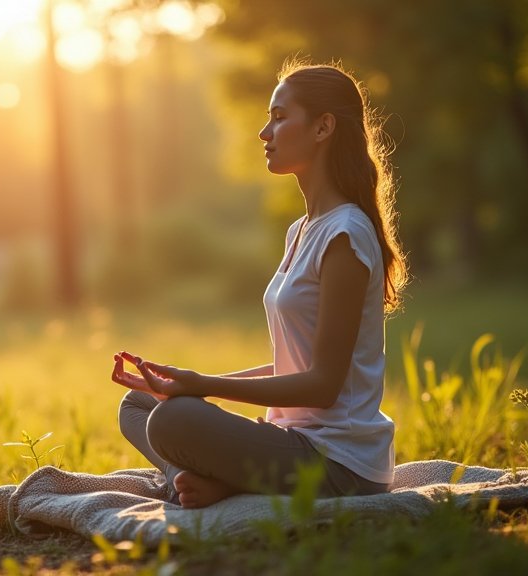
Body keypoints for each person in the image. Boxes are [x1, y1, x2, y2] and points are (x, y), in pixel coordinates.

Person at [111, 60, 408, 509]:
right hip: (289, 440)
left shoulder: (346, 234)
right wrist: (184, 383)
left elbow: (324, 385)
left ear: (323, 127)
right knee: (139, 404)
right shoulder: (302, 230)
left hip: (337, 462)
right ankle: (203, 480)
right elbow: (294, 363)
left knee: (173, 422)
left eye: (280, 116)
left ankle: (210, 483)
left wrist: (203, 384)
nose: (264, 132)